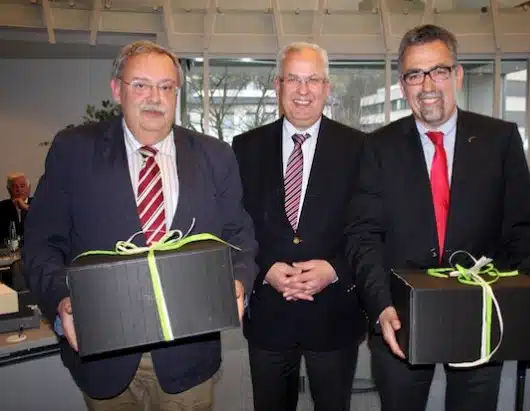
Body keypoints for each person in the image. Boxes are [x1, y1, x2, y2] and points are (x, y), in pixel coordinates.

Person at [22, 40, 258, 411]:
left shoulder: (215, 156)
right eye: (141, 85)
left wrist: (239, 279)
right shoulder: (74, 151)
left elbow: (239, 234)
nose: (155, 97)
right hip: (104, 357)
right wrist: (62, 300)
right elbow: (40, 242)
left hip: (189, 359)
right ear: (117, 89)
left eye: (166, 87)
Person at [345, 24, 530, 411]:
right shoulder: (377, 147)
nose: (427, 84)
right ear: (403, 84)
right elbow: (363, 236)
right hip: (400, 320)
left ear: (457, 75)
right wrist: (379, 306)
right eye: (414, 74)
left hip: (481, 315)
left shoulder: (501, 140)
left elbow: (524, 231)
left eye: (438, 70)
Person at [232, 42, 366, 411]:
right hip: (269, 317)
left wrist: (335, 270)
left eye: (313, 80)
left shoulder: (360, 149)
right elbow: (235, 224)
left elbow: (369, 229)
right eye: (293, 79)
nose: (303, 91)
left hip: (334, 315)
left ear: (327, 87)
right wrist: (264, 269)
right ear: (278, 85)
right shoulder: (244, 148)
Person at [0, 172, 32, 240]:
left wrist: (26, 207)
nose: (19, 190)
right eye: (15, 187)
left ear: (29, 188)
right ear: (9, 190)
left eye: (22, 186)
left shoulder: (40, 204)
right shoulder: (2, 207)